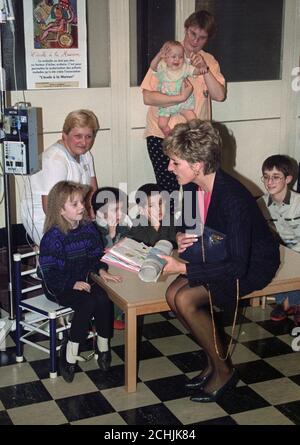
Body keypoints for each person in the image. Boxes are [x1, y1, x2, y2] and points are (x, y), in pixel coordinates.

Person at [159, 119, 280, 403]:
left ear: (198, 164)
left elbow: (238, 266)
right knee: (172, 294)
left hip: (251, 263)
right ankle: (213, 361)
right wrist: (180, 237)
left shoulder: (234, 198)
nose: (169, 168)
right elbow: (187, 224)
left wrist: (184, 267)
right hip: (216, 252)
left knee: (186, 299)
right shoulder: (191, 185)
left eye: (175, 162)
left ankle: (223, 370)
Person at [38, 181, 122, 383]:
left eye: (81, 202)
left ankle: (103, 347)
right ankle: (70, 352)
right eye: (74, 204)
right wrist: (71, 283)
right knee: (87, 302)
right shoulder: (53, 237)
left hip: (84, 279)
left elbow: (95, 256)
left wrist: (101, 270)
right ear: (60, 210)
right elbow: (50, 272)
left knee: (103, 298)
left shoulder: (87, 228)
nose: (82, 207)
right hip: (59, 285)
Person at [141, 10, 225, 195]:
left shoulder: (209, 61)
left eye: (202, 38)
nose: (195, 41)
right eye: (193, 34)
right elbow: (148, 97)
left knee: (194, 192)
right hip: (161, 134)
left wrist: (204, 68)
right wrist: (179, 98)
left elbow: (219, 95)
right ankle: (168, 225)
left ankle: (192, 225)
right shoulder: (168, 55)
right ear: (186, 29)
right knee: (168, 191)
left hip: (195, 139)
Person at [21, 109, 99, 246]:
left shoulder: (86, 155)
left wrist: (94, 219)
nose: (84, 142)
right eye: (78, 136)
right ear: (64, 135)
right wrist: (78, 233)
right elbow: (50, 208)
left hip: (74, 212)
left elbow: (92, 191)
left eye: (89, 136)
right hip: (48, 219)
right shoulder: (55, 160)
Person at [257, 155, 300, 326]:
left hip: (298, 249)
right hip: (280, 249)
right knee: (272, 256)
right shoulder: (261, 203)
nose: (270, 182)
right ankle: (290, 302)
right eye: (266, 176)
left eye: (276, 177)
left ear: (288, 179)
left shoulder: (298, 202)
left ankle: (290, 303)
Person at [91, 186, 132, 330]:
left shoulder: (123, 226)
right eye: (116, 210)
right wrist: (111, 234)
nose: (121, 213)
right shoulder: (92, 229)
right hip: (97, 271)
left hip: (118, 267)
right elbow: (98, 255)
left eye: (122, 209)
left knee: (127, 278)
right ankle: (107, 316)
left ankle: (122, 313)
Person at [150, 40, 206, 137]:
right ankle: (169, 135)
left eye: (180, 57)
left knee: (192, 119)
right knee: (162, 124)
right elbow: (153, 66)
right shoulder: (162, 67)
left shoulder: (184, 68)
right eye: (173, 57)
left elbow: (195, 71)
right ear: (165, 58)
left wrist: (201, 68)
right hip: (167, 104)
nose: (177, 60)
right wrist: (159, 55)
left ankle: (196, 135)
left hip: (183, 104)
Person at [128, 183, 177, 247]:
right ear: (142, 210)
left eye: (160, 203)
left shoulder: (171, 220)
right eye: (151, 205)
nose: (158, 209)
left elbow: (174, 245)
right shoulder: (137, 224)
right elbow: (144, 248)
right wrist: (155, 226)